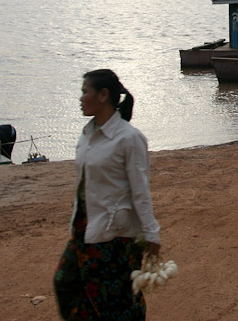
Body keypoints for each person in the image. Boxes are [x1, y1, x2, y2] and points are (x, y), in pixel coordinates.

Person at [54, 69, 161, 320]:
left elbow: (140, 190)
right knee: (66, 283)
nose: (80, 98)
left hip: (117, 235)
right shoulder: (87, 134)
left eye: (84, 92)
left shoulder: (129, 138)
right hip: (85, 229)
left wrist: (151, 232)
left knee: (117, 301)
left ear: (103, 95)